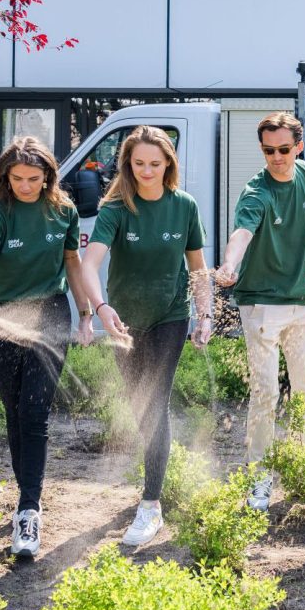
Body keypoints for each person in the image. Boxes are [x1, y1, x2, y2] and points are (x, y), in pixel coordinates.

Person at [76, 126, 213, 548]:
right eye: (139, 164)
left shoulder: (184, 207)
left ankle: (151, 504)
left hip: (170, 317)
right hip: (124, 322)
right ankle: (157, 471)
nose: (147, 171)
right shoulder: (116, 209)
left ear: (168, 163)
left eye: (156, 163)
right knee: (141, 407)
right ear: (128, 165)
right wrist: (101, 308)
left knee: (155, 405)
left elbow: (197, 269)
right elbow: (88, 263)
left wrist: (204, 315)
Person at [0, 136, 94, 559]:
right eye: (16, 178)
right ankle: (26, 492)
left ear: (48, 177)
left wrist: (87, 313)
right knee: (16, 409)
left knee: (36, 412)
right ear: (5, 177)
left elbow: (72, 263)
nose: (24, 185)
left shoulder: (64, 211)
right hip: (0, 315)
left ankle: (28, 509)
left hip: (51, 311)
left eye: (33, 178)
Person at [214, 111, 305, 512]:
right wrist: (229, 266)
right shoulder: (255, 192)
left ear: (299, 146)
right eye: (269, 150)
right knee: (267, 392)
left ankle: (302, 464)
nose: (276, 157)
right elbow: (241, 233)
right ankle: (260, 475)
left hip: (301, 300)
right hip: (260, 305)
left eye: (284, 149)